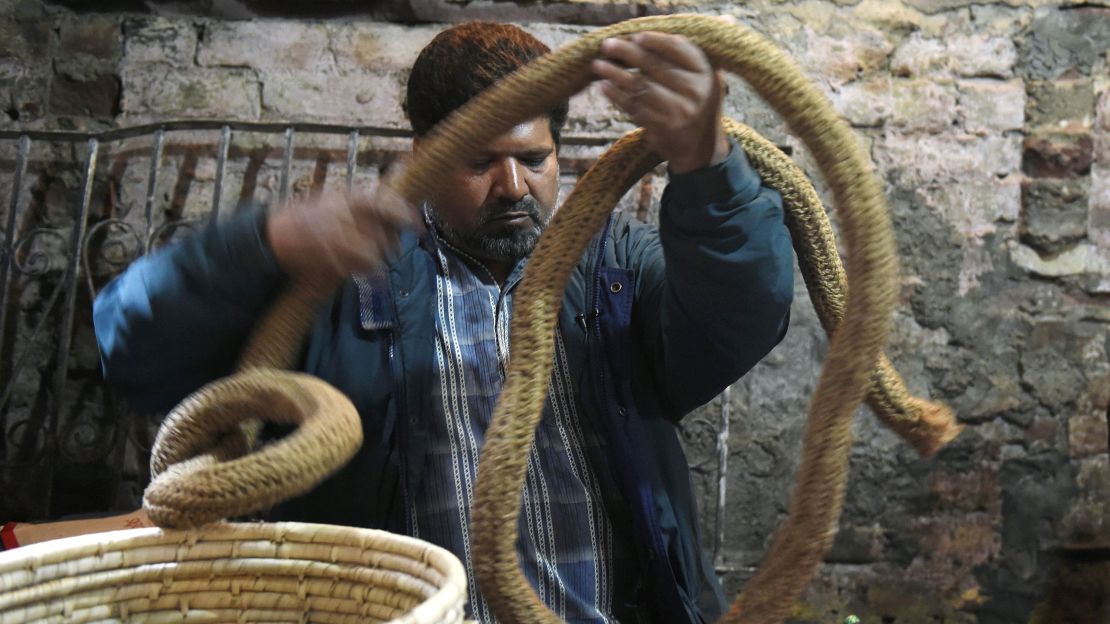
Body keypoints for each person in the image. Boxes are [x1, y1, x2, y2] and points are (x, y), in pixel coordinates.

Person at [92, 21, 794, 624]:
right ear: (423, 154)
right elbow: (134, 345)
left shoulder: (616, 266)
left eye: (533, 158)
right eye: (479, 162)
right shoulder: (340, 278)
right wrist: (260, 245)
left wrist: (708, 168)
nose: (514, 187)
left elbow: (743, 316)